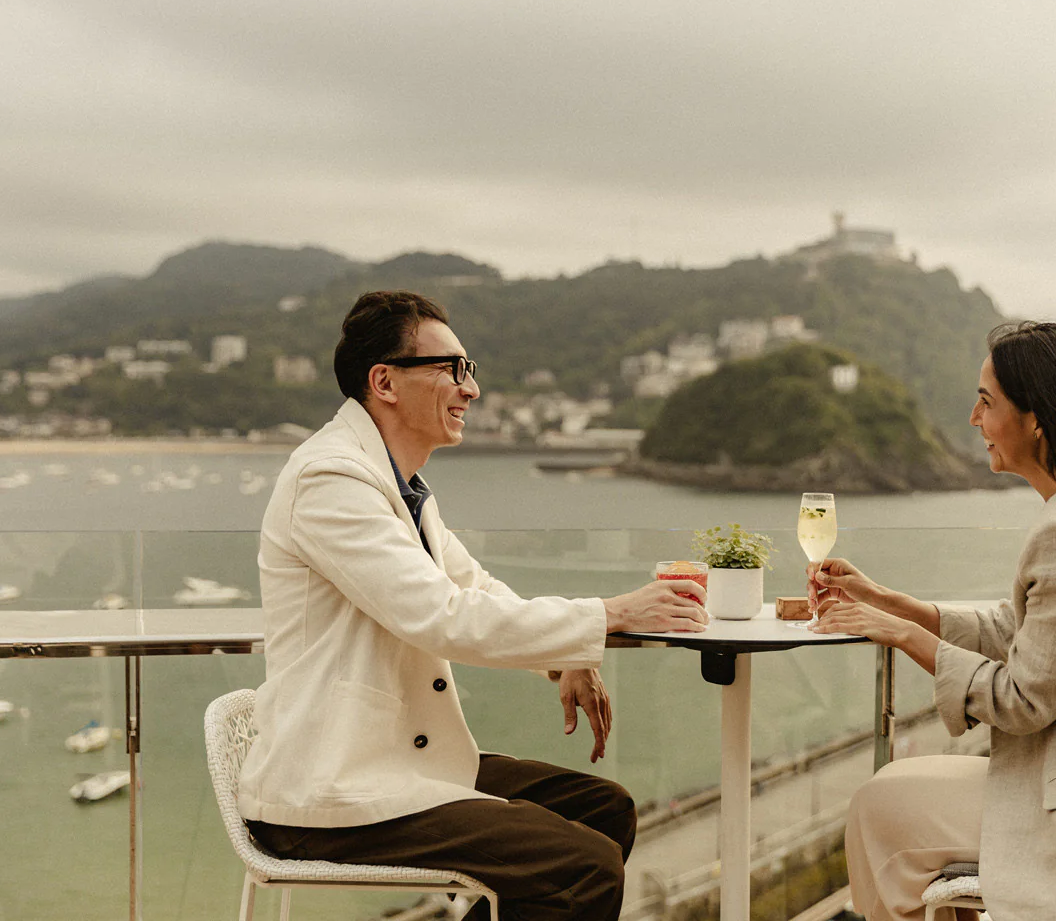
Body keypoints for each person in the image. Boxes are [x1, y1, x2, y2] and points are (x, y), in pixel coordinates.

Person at [237, 290, 709, 921]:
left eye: (470, 369)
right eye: (451, 369)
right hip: (330, 789)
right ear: (384, 382)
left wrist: (563, 656)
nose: (472, 389)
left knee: (605, 810)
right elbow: (443, 617)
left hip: (391, 759)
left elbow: (475, 588)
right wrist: (612, 613)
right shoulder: (330, 480)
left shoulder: (401, 486)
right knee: (583, 868)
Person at [809, 321, 1056, 921]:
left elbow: (1024, 701)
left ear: (1036, 420)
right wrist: (888, 601)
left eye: (986, 402)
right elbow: (1030, 635)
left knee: (876, 805)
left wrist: (900, 633)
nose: (973, 418)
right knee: (891, 793)